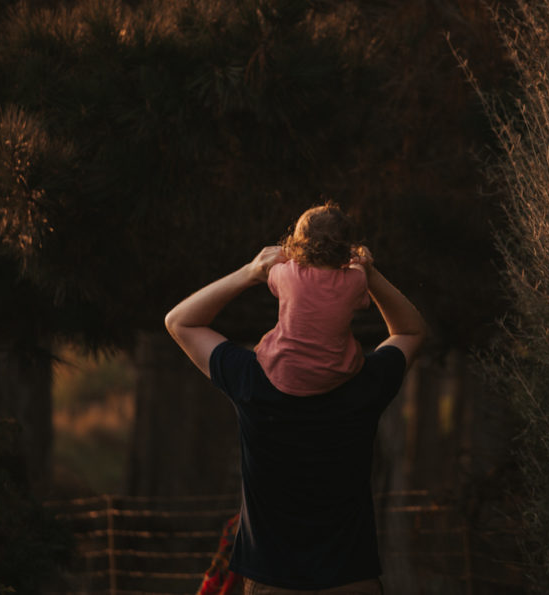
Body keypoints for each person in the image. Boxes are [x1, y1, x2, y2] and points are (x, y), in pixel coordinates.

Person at [164, 239, 426, 595]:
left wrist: (249, 273)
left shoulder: (251, 380)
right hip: (351, 579)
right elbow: (410, 331)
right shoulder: (366, 383)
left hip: (270, 580)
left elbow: (180, 321)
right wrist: (371, 276)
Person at [255, 202, 370, 396]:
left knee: (264, 343)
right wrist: (360, 262)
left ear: (298, 244)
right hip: (334, 374)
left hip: (284, 370)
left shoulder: (286, 274)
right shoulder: (356, 280)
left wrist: (290, 255)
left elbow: (273, 278)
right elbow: (363, 301)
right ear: (347, 248)